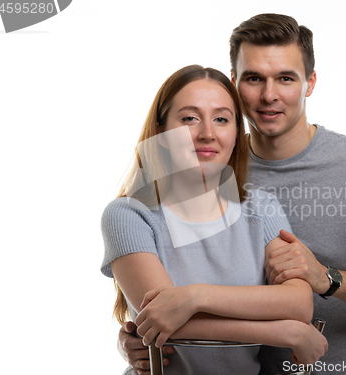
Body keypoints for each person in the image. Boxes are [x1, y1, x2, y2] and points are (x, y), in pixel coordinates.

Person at [118, 14, 346, 375]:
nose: (269, 95)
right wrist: (138, 334)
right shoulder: (210, 169)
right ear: (235, 84)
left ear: (310, 82)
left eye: (286, 78)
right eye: (254, 79)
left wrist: (328, 279)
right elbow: (166, 276)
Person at [101, 65, 328, 375]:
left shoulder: (262, 209)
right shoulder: (129, 215)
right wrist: (286, 332)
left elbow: (298, 304)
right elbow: (161, 320)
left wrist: (195, 297)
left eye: (221, 119)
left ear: (236, 134)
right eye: (189, 118)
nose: (207, 133)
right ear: (162, 133)